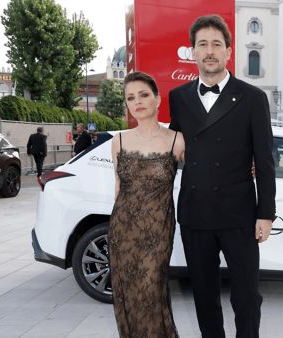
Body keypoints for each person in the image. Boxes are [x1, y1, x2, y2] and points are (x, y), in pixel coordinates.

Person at [169, 14, 276, 338]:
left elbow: (265, 159)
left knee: (246, 297)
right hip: (195, 213)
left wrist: (266, 214)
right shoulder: (179, 97)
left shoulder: (253, 98)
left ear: (229, 51)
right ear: (193, 52)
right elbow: (174, 146)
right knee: (203, 296)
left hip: (238, 214)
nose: (210, 51)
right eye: (203, 44)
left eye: (217, 44)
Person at [109, 71, 185, 337]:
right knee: (129, 296)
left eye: (143, 95)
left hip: (158, 232)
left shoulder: (176, 140)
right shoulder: (118, 141)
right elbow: (118, 189)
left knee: (151, 291)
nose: (137, 102)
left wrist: (248, 166)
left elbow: (209, 166)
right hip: (123, 230)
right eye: (130, 98)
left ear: (157, 99)